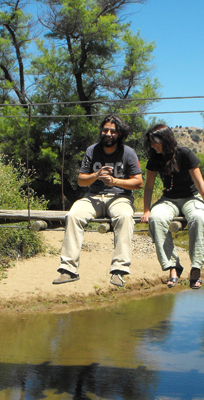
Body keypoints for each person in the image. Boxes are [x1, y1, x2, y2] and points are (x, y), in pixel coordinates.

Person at [53, 114, 143, 287]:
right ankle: (68, 269)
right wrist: (96, 175)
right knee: (73, 215)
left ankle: (119, 270)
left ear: (119, 134)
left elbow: (138, 182)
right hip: (92, 197)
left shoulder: (128, 152)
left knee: (124, 217)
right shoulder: (92, 150)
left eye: (113, 131)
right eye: (105, 130)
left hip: (120, 198)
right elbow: (81, 180)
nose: (108, 133)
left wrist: (114, 181)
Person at [140, 124, 204, 289]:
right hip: (168, 199)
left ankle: (196, 268)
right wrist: (147, 210)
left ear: (165, 139)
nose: (153, 145)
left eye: (155, 142)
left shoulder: (185, 153)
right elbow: (149, 186)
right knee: (156, 218)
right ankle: (173, 266)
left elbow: (199, 182)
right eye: (151, 142)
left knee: (198, 218)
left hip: (191, 197)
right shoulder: (155, 157)